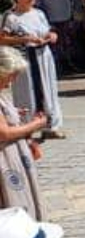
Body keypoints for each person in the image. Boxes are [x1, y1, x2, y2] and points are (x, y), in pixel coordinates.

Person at [0, 0, 64, 140]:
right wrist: (24, 39)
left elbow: (47, 30)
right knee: (25, 91)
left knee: (48, 89)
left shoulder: (39, 13)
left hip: (43, 55)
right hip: (25, 57)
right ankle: (26, 126)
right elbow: (2, 38)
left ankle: (51, 125)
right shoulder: (10, 16)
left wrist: (51, 35)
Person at [0, 47, 46, 219]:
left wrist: (11, 112)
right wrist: (35, 125)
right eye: (11, 74)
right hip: (5, 160)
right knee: (15, 202)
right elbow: (3, 133)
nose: (12, 80)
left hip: (13, 156)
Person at [33, 0, 76, 74]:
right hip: (51, 21)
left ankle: (69, 64)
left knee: (67, 43)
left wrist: (72, 14)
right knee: (55, 45)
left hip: (65, 18)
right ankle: (58, 67)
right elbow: (38, 6)